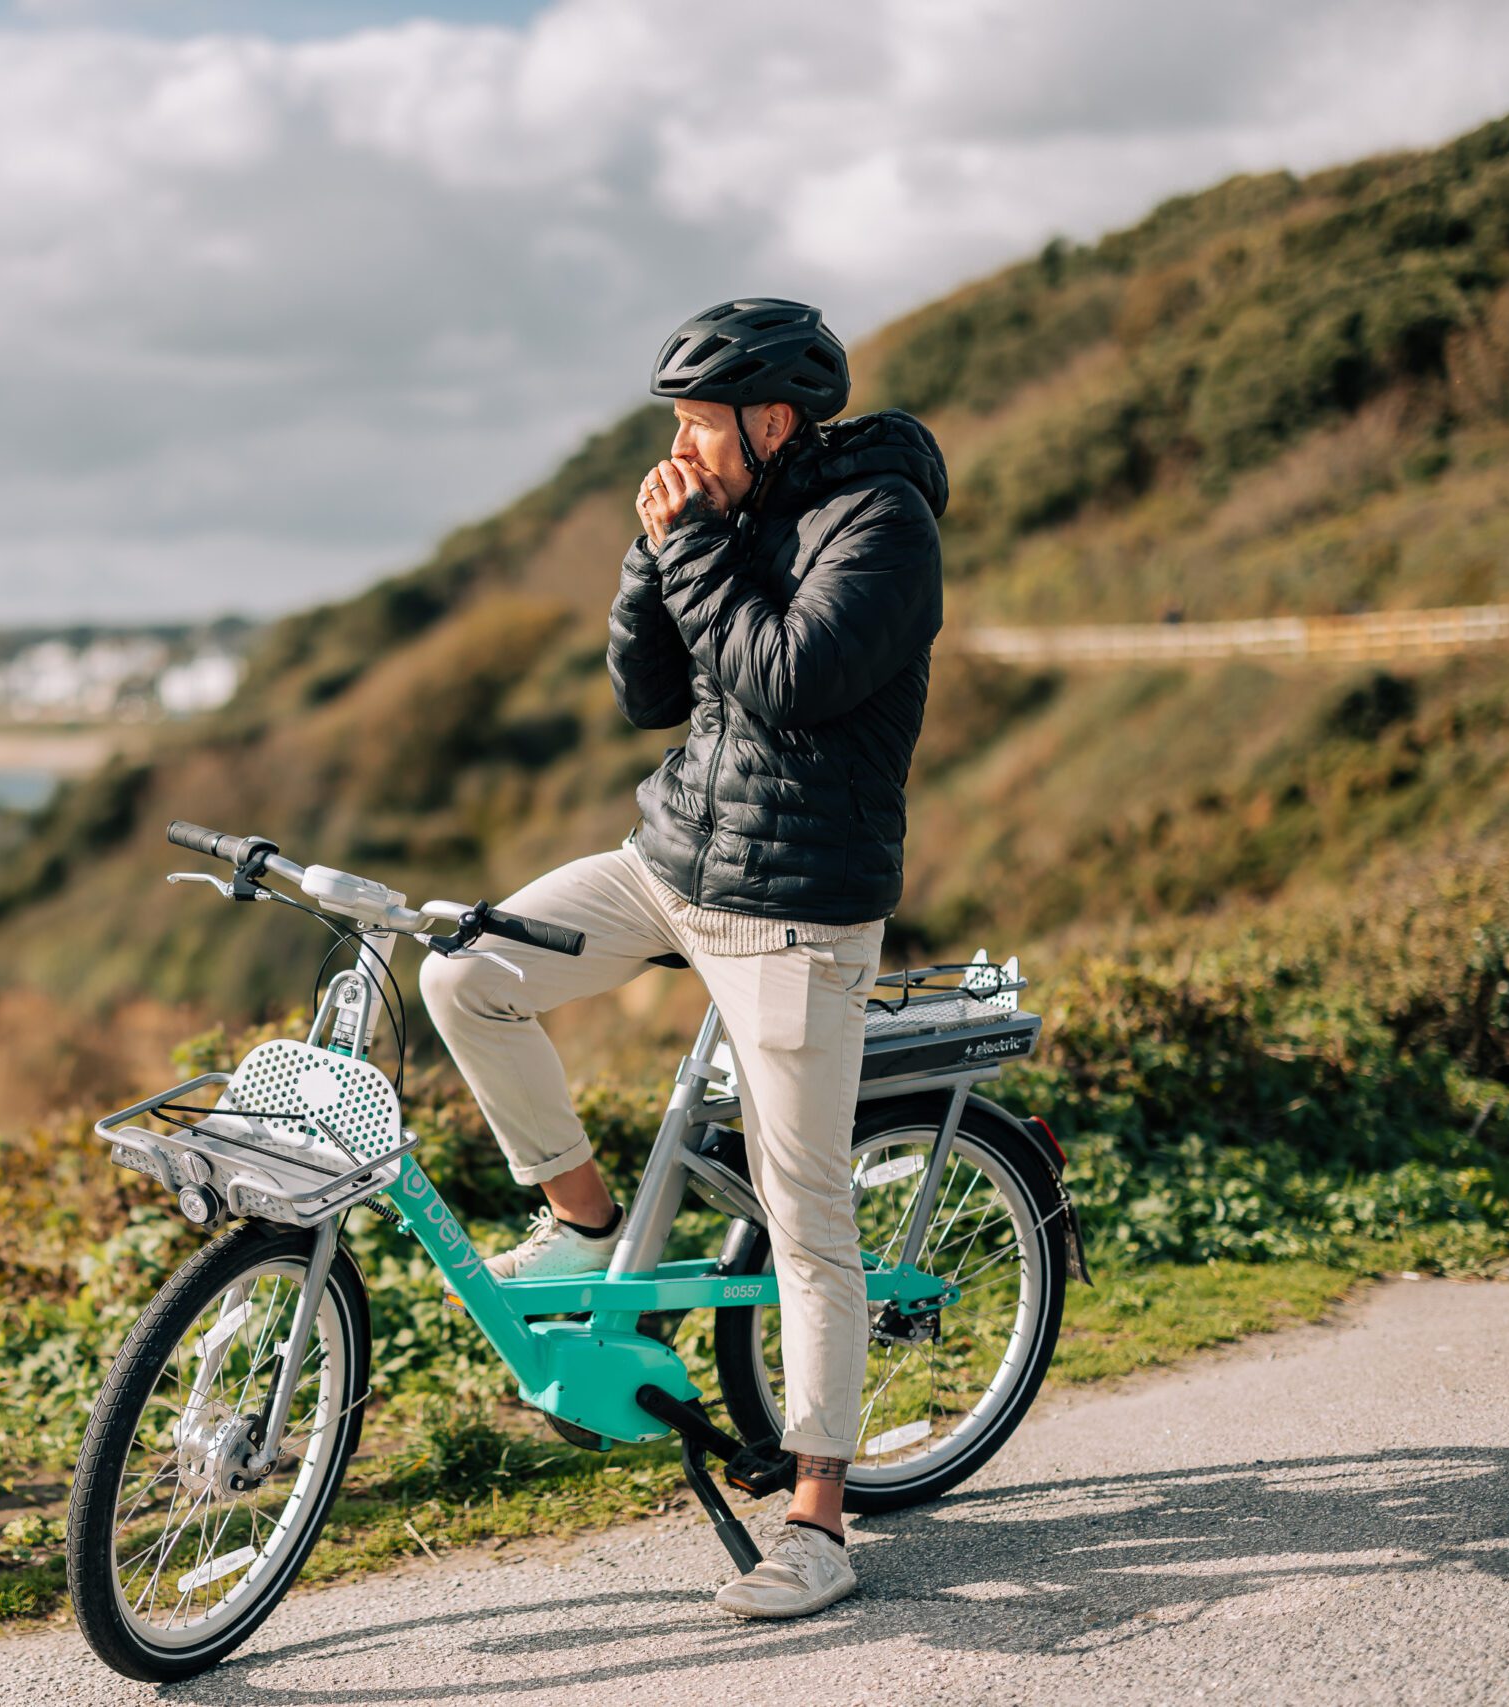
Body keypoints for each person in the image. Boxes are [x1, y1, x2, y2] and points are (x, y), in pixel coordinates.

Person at [418, 297, 947, 1621]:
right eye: (677, 421)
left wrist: (694, 543)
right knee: (463, 972)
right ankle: (589, 1222)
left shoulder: (883, 528)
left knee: (806, 1211)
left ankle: (819, 1519)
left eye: (701, 420)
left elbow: (789, 676)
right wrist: (652, 555)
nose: (684, 440)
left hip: (797, 909)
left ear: (775, 420)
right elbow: (653, 696)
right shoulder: (727, 511)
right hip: (674, 862)